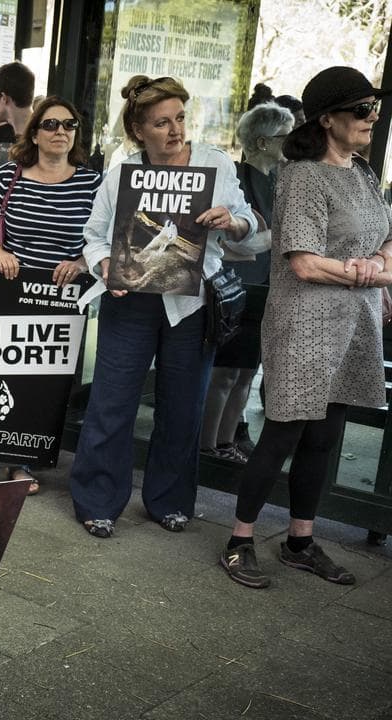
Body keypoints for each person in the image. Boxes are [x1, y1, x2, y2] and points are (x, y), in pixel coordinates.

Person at [221, 67, 392, 589]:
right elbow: (303, 263)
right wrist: (364, 272)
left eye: (375, 109)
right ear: (328, 119)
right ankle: (239, 541)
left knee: (325, 437)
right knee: (282, 433)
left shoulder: (364, 171)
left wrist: (377, 264)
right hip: (304, 323)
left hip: (354, 323)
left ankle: (299, 541)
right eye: (362, 110)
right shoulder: (301, 176)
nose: (373, 118)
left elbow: (388, 238)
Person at [70, 75, 256, 538]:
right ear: (139, 131)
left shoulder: (215, 164)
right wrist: (106, 266)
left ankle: (170, 500)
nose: (175, 131)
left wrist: (231, 221)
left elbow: (250, 224)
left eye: (179, 119)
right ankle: (97, 499)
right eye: (161, 123)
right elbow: (93, 238)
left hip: (191, 304)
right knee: (112, 403)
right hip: (130, 300)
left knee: (183, 407)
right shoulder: (122, 173)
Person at [0, 97, 102, 494]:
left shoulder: (92, 182)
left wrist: (80, 261)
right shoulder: (10, 174)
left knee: (44, 383)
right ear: (36, 133)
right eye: (51, 124)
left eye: (69, 125)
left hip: (62, 297)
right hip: (9, 288)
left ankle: (23, 462)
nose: (61, 131)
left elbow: (104, 237)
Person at [199, 102, 293, 462]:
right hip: (237, 287)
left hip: (266, 286)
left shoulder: (278, 182)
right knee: (225, 373)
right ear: (264, 141)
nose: (291, 143)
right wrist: (275, 237)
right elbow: (233, 243)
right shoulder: (238, 180)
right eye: (285, 136)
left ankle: (226, 442)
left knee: (245, 374)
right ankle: (208, 446)